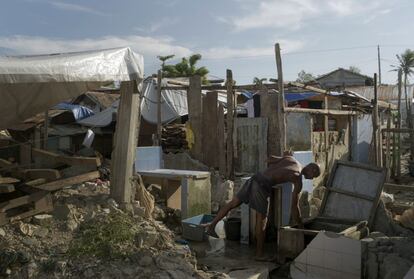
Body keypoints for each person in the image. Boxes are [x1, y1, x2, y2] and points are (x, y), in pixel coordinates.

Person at [205, 155, 320, 260]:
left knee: (232, 204)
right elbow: (294, 207)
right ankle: (259, 254)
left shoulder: (290, 158)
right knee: (262, 219)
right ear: (312, 169)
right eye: (313, 176)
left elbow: (269, 159)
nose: (311, 179)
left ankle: (211, 226)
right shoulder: (297, 178)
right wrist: (300, 225)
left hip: (256, 177)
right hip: (262, 185)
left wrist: (278, 172)